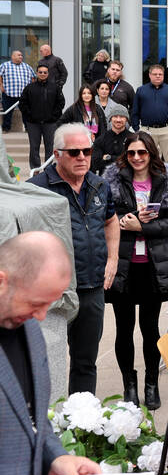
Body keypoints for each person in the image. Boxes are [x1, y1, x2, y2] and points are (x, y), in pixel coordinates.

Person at [0, 232, 104, 475]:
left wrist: (56, 457)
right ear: (2, 280)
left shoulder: (29, 328)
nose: (43, 316)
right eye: (35, 303)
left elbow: (31, 418)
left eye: (50, 303)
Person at [28, 123, 118, 394]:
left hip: (91, 288)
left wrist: (112, 260)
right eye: (74, 152)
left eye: (87, 151)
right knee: (47, 363)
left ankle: (79, 426)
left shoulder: (99, 185)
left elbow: (111, 221)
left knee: (85, 362)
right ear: (57, 154)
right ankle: (46, 428)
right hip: (52, 293)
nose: (82, 157)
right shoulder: (37, 190)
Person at [102, 132, 168, 409]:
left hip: (152, 266)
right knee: (124, 330)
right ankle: (129, 385)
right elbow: (106, 220)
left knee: (150, 329)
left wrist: (143, 227)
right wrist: (128, 223)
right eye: (132, 153)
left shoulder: (167, 180)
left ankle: (151, 384)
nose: (137, 158)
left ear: (151, 153)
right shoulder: (112, 181)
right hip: (123, 265)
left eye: (142, 152)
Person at [131, 64, 168, 165]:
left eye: (160, 74)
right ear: (150, 75)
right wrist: (137, 129)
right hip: (147, 131)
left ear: (163, 75)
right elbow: (135, 111)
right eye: (155, 74)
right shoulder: (141, 90)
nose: (158, 76)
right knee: (147, 162)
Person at [19, 64, 64, 170]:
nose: (43, 74)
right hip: (33, 123)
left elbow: (60, 103)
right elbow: (22, 104)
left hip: (50, 123)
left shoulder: (55, 87)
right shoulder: (29, 88)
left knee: (50, 147)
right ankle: (35, 168)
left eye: (45, 72)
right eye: (40, 72)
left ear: (48, 74)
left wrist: (54, 117)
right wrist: (30, 116)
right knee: (34, 147)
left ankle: (48, 169)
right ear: (37, 73)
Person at [91, 102, 135, 175]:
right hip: (106, 181)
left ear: (127, 119)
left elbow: (133, 161)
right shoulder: (101, 140)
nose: (118, 120)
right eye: (115, 116)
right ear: (110, 119)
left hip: (128, 180)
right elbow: (96, 163)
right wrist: (122, 158)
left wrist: (109, 157)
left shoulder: (133, 139)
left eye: (121, 117)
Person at [0, 49, 33, 132]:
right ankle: (6, 128)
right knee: (7, 112)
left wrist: (31, 89)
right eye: (19, 55)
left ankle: (28, 128)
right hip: (9, 93)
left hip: (24, 95)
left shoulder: (27, 66)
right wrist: (1, 86)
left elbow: (33, 78)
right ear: (13, 56)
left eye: (21, 55)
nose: (21, 56)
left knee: (26, 112)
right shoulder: (4, 65)